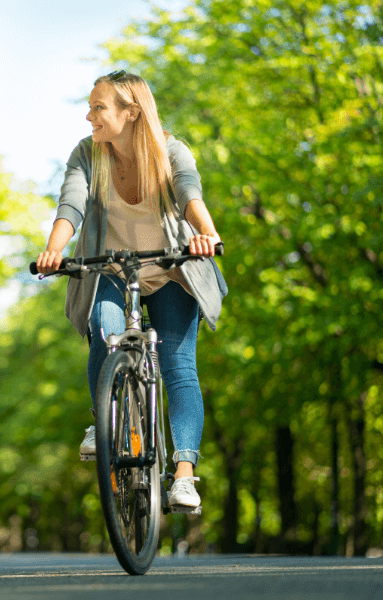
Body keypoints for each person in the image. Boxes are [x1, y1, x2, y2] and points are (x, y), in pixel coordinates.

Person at [35, 71, 227, 509]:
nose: (89, 116)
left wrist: (207, 234)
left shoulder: (171, 150)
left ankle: (183, 474)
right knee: (106, 333)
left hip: (171, 269)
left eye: (98, 107)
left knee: (178, 364)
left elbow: (189, 194)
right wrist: (53, 249)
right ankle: (104, 418)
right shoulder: (88, 154)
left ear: (131, 112)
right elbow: (72, 202)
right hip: (112, 268)